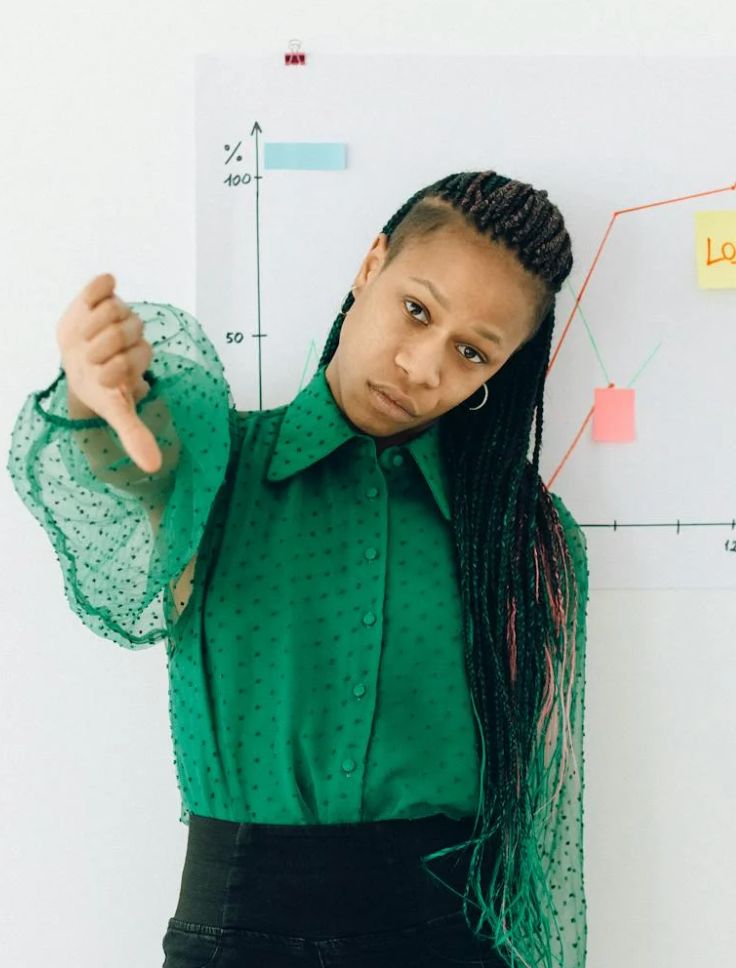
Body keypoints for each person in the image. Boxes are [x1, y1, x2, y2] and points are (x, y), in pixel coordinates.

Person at [6, 170, 590, 968]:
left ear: (504, 368)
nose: (422, 366)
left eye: (470, 351)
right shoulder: (224, 463)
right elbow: (135, 464)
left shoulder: (518, 535)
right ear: (370, 266)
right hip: (238, 929)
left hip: (445, 936)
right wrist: (92, 397)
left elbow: (532, 816)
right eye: (417, 309)